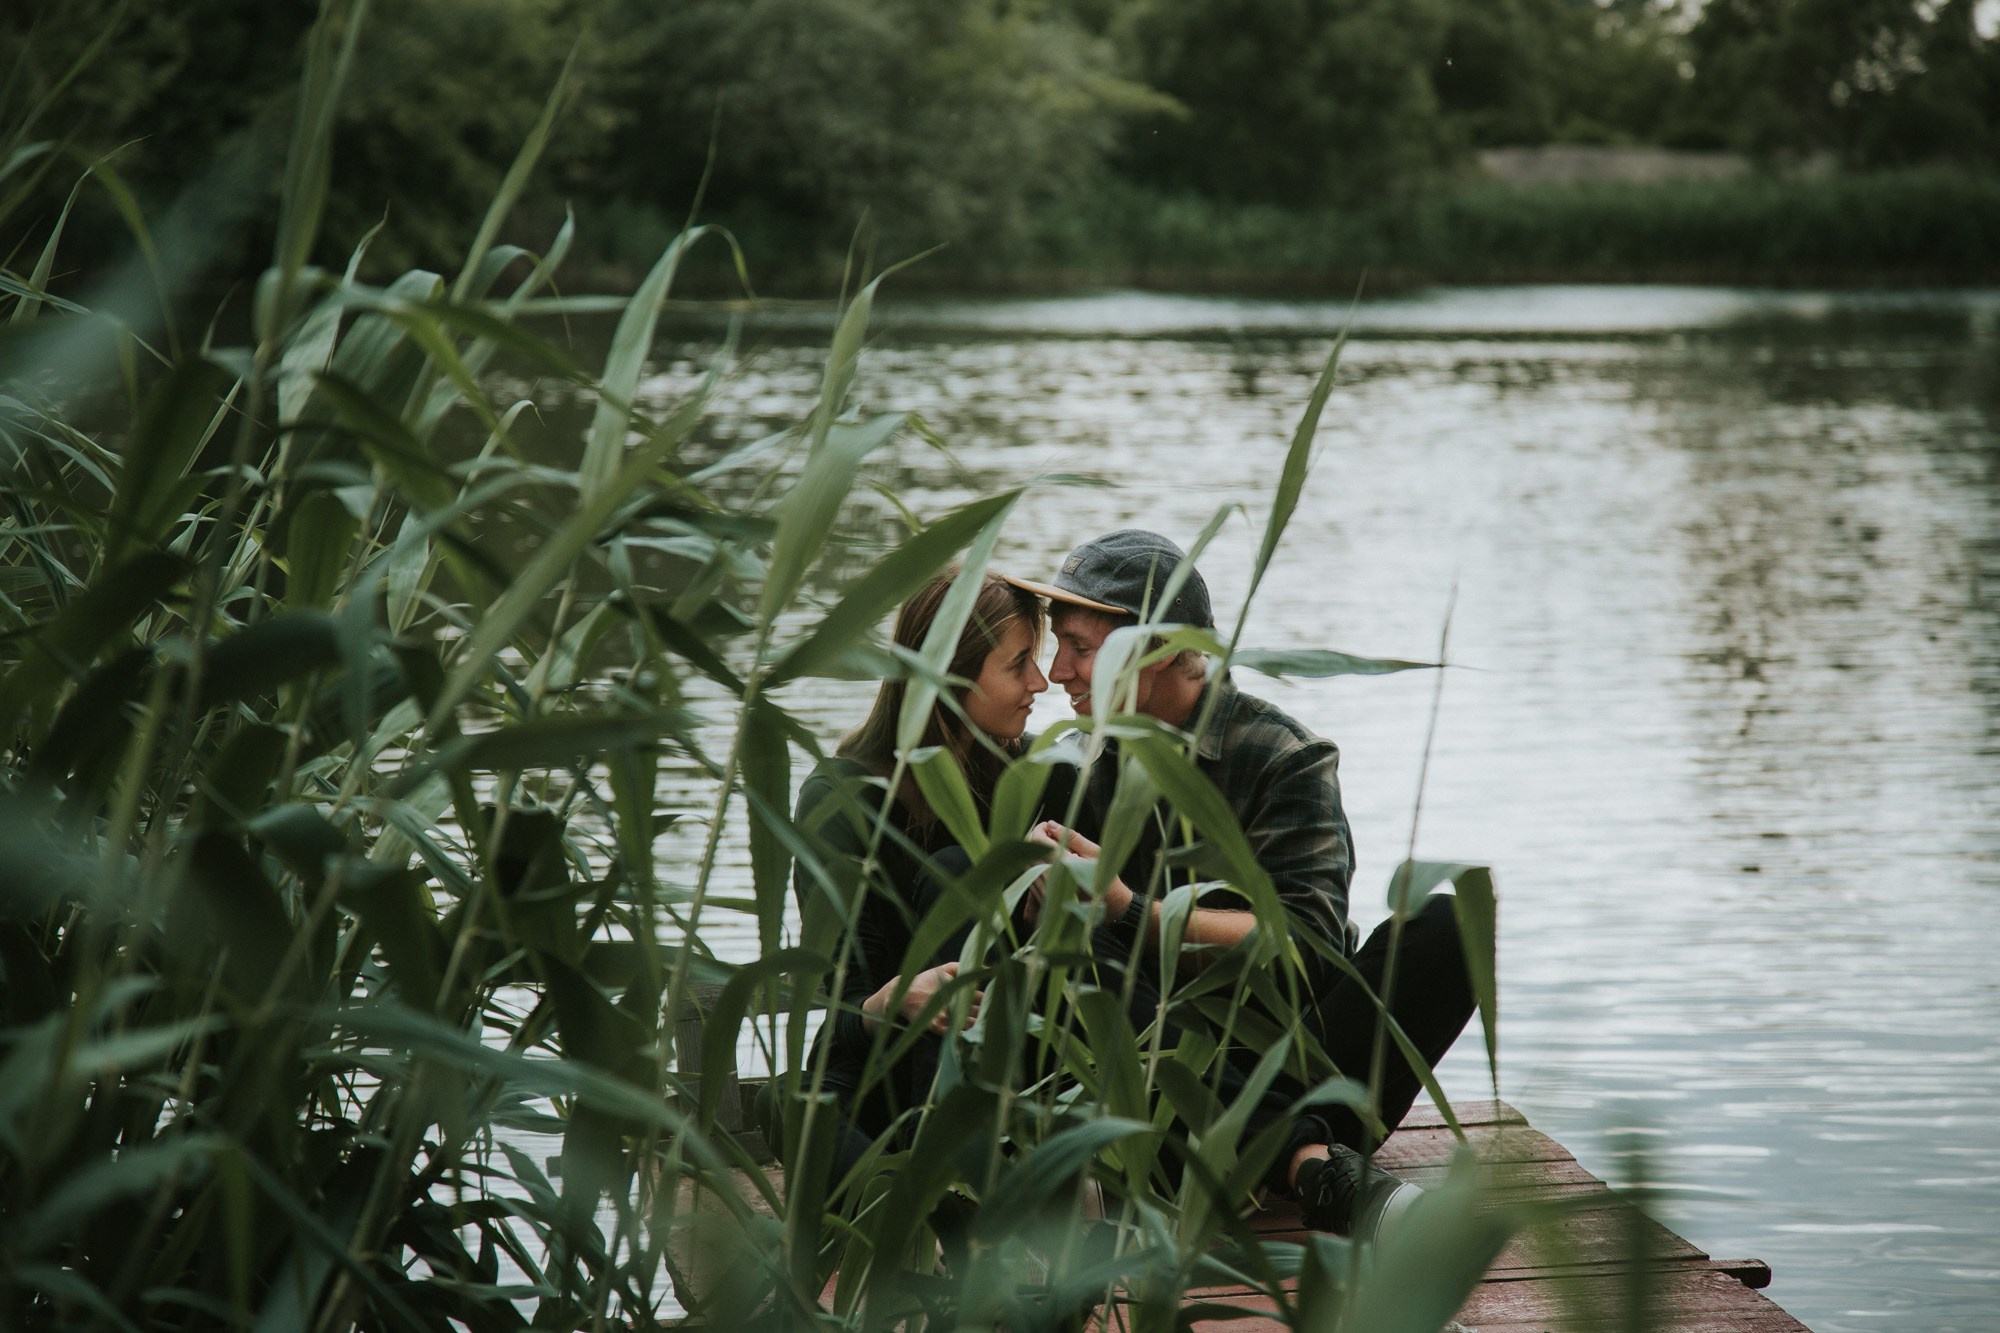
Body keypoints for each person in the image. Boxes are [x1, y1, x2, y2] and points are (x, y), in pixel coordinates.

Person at [1007, 529, 1478, 1241]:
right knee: (1072, 967)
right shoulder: (1084, 765)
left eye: (1078, 646)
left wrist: (1132, 911)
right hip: (1162, 1082)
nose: (1058, 670)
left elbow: (1308, 950)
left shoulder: (1282, 757)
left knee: (1451, 926)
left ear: (1160, 647)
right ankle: (1309, 1165)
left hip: (1295, 1058)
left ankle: (1266, 1147)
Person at [777, 568, 1048, 1196]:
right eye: (1019, 665)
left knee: (963, 871)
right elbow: (836, 1008)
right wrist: (890, 1005)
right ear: (949, 675)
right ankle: (945, 1187)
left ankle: (957, 1176)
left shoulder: (1033, 775)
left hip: (998, 1087)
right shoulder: (841, 797)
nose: (1040, 684)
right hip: (867, 1086)